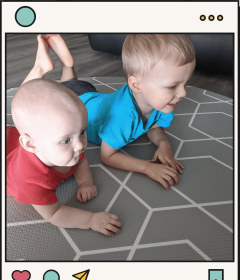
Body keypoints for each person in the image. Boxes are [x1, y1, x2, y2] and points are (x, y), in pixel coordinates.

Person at [7, 34, 122, 237]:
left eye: (82, 132)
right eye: (66, 140)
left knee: (30, 110)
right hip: (11, 152)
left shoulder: (67, 149)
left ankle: (40, 68)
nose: (80, 146)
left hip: (16, 138)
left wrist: (86, 182)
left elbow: (81, 163)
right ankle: (39, 68)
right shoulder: (30, 179)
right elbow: (55, 213)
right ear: (32, 145)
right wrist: (91, 220)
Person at [60, 34, 196, 190]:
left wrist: (164, 144)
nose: (183, 93)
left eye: (186, 83)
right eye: (172, 86)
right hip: (76, 103)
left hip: (93, 97)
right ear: (137, 85)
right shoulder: (121, 117)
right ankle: (66, 65)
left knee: (73, 85)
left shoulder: (164, 102)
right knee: (65, 89)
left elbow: (155, 127)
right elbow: (107, 156)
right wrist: (148, 168)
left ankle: (68, 68)